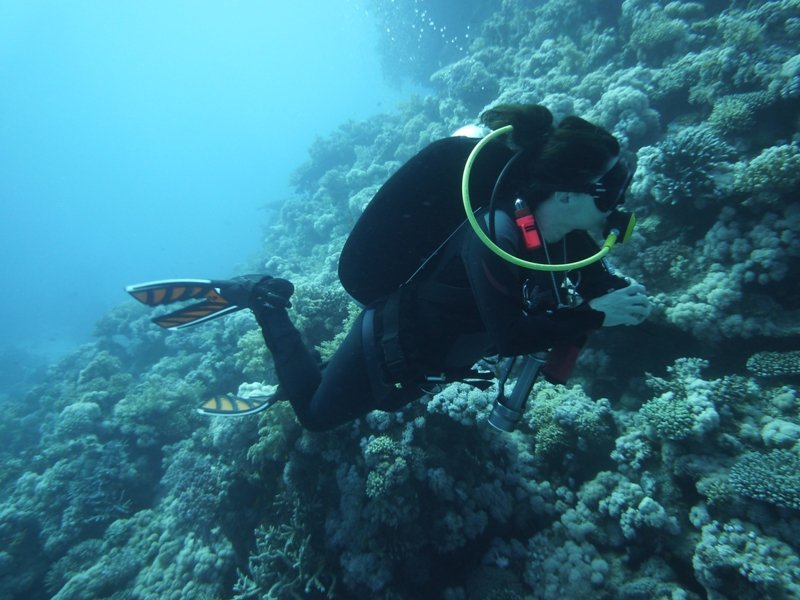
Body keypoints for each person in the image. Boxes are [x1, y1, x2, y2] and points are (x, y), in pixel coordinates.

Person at [222, 104, 651, 431]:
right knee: (316, 415)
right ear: (567, 196)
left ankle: (306, 370)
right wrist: (596, 314)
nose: (618, 207)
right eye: (609, 193)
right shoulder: (497, 234)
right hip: (388, 348)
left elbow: (589, 281)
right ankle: (264, 298)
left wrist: (609, 294)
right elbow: (510, 336)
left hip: (427, 360)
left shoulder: (560, 235)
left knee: (331, 388)